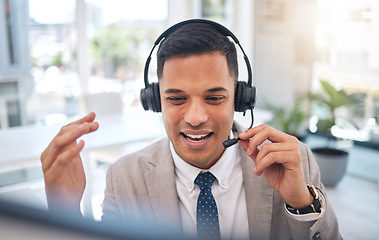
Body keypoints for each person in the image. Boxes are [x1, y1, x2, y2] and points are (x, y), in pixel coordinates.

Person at [41, 19, 342, 240]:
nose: (196, 117)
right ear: (155, 101)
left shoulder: (294, 162)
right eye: (176, 98)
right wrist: (64, 214)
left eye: (214, 98)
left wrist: (301, 203)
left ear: (239, 99)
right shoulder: (125, 179)